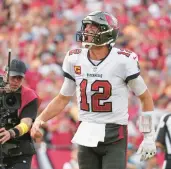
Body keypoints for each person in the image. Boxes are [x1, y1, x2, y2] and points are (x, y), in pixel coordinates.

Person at [31, 11, 156, 169]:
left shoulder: (123, 60)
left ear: (108, 33)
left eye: (94, 27)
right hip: (86, 131)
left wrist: (148, 136)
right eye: (87, 25)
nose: (88, 30)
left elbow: (145, 98)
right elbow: (63, 98)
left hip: (114, 133)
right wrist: (40, 119)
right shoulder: (74, 58)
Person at [0, 59, 39, 169]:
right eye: (13, 77)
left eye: (20, 78)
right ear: (6, 74)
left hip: (20, 151)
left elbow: (26, 123)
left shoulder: (29, 95)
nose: (16, 81)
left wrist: (11, 133)